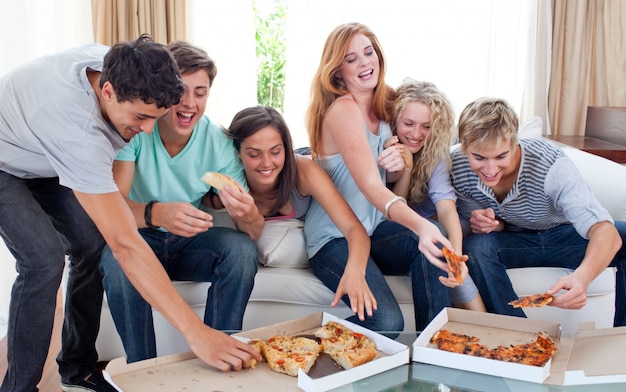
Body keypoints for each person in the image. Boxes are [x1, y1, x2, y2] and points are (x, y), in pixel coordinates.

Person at [0, 35, 258, 392]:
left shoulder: (120, 65)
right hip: (5, 161)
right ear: (107, 92)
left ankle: (76, 369)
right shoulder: (78, 132)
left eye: (154, 117)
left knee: (89, 242)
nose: (147, 129)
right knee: (43, 261)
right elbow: (124, 243)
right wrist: (197, 333)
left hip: (41, 156)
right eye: (140, 117)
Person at [98, 41, 263, 363]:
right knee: (116, 261)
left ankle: (221, 355)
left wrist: (249, 213)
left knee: (241, 250)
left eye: (200, 93)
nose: (189, 104)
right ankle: (141, 368)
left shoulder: (218, 143)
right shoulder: (139, 128)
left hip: (190, 243)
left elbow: (253, 232)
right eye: (181, 92)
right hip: (139, 236)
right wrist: (157, 213)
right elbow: (113, 211)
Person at [305, 22, 461, 331]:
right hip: (334, 238)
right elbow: (372, 188)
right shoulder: (343, 110)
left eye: (368, 52)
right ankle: (295, 346)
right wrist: (421, 224)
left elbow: (395, 179)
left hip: (374, 229)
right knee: (387, 320)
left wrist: (405, 160)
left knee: (433, 250)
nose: (364, 63)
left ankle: (435, 354)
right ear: (337, 71)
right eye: (351, 59)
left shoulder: (386, 100)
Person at [450, 97, 626, 327]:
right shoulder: (458, 167)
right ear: (464, 147)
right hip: (513, 241)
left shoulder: (551, 164)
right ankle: (517, 333)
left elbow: (604, 230)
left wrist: (582, 278)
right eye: (479, 158)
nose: (491, 170)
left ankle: (620, 339)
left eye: (501, 156)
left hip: (562, 236)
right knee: (476, 248)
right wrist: (488, 224)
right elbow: (478, 224)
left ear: (515, 143)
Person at [224, 105, 377, 324]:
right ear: (238, 153)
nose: (267, 163)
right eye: (254, 154)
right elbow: (252, 231)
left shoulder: (304, 172)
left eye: (276, 151)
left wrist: (355, 272)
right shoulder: (230, 184)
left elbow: (354, 228)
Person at [386, 78, 486, 312]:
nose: (416, 134)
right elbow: (395, 213)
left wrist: (457, 256)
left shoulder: (435, 153)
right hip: (399, 229)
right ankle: (484, 323)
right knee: (437, 240)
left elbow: (446, 206)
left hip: (436, 224)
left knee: (446, 248)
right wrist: (407, 169)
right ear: (395, 121)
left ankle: (481, 325)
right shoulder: (385, 146)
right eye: (408, 124)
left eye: (426, 126)